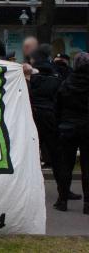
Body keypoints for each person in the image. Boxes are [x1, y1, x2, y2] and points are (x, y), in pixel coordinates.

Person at [54, 51, 89, 213]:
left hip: (67, 128)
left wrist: (60, 124)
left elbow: (58, 107)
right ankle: (87, 204)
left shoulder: (66, 83)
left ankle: (62, 201)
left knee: (65, 166)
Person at [29, 47, 63, 175]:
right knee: (55, 151)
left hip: (32, 115)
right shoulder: (55, 74)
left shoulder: (30, 75)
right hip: (49, 115)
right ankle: (63, 191)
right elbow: (59, 96)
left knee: (31, 150)